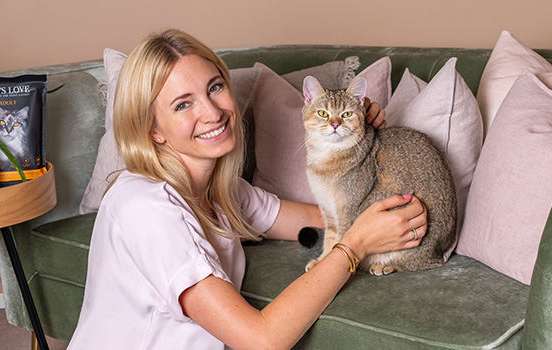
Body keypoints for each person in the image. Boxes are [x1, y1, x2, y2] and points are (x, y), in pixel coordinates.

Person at [67, 29, 427, 350]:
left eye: (215, 87)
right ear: (152, 131)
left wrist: (359, 142)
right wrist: (355, 245)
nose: (212, 111)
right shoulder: (144, 207)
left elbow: (317, 218)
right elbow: (262, 340)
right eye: (183, 104)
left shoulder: (221, 193)